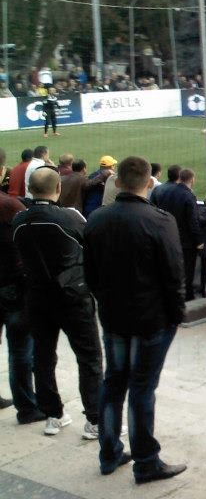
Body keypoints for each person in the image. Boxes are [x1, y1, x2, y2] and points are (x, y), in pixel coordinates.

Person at [84, 156, 187, 481]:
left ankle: (110, 452)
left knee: (115, 382)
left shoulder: (97, 219)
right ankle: (145, 460)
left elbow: (91, 275)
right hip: (149, 320)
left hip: (116, 317)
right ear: (148, 182)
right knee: (140, 387)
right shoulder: (159, 221)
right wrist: (176, 316)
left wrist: (106, 302)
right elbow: (174, 275)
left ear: (117, 182)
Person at [12, 166, 104, 438]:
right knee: (89, 357)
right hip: (72, 297)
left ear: (31, 189)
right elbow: (92, 247)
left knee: (42, 357)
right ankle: (95, 419)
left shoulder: (20, 220)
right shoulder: (70, 217)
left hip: (38, 297)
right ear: (58, 189)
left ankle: (53, 414)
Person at [0, 176, 42, 424]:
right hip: (12, 286)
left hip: (9, 283)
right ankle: (26, 407)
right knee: (20, 348)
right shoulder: (10, 206)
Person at [154, 168, 204, 301]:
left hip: (168, 237)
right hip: (186, 242)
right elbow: (192, 221)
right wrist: (199, 241)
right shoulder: (188, 196)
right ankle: (187, 297)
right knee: (187, 271)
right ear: (192, 179)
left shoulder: (165, 192)